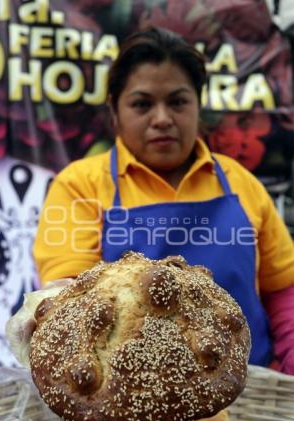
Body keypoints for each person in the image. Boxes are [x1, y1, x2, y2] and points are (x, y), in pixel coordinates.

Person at [33, 27, 294, 373]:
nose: (162, 119)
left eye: (177, 101)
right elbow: (68, 304)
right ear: (114, 111)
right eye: (142, 104)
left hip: (245, 389)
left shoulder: (239, 181)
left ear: (198, 106)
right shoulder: (80, 185)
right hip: (127, 397)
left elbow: (283, 292)